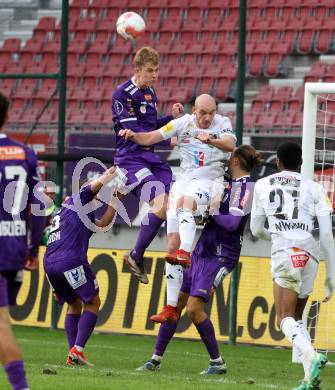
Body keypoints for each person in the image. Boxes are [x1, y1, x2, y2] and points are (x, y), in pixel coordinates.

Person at [137, 145, 261, 374]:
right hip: (203, 250)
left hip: (221, 255)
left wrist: (212, 211)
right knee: (175, 305)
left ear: (234, 161)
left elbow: (233, 224)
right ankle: (154, 359)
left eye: (229, 157)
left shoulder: (245, 188)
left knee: (194, 309)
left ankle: (217, 362)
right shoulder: (225, 183)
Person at [120, 94, 235, 322]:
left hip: (210, 181)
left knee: (184, 207)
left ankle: (186, 251)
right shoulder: (182, 123)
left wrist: (210, 139)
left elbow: (231, 144)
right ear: (194, 110)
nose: (207, 117)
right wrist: (134, 136)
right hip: (183, 181)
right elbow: (152, 136)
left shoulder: (222, 123)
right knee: (171, 244)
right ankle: (171, 307)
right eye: (203, 113)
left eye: (211, 112)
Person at [250, 142, 335, 390]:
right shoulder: (316, 187)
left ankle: (311, 356)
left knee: (284, 318)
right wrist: (331, 275)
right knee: (297, 317)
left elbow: (255, 229)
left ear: (277, 162)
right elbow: (327, 236)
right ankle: (310, 378)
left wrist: (274, 234)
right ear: (300, 163)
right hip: (310, 254)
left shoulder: (263, 185)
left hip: (286, 252)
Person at [112, 46, 184, 284]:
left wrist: (170, 119)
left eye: (157, 70)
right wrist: (170, 129)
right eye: (150, 71)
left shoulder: (151, 92)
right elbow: (140, 133)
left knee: (174, 201)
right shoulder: (122, 93)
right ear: (137, 69)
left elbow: (152, 128)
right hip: (131, 159)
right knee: (161, 202)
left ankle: (141, 255)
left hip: (150, 157)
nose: (155, 75)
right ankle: (137, 255)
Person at [43, 167, 120, 366]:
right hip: (70, 260)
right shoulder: (79, 199)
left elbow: (102, 224)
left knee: (74, 304)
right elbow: (93, 187)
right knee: (93, 302)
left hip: (50, 264)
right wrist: (114, 171)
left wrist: (115, 200)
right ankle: (78, 349)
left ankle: (73, 354)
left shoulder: (72, 212)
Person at [0, 92, 45, 390]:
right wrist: (33, 246)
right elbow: (39, 204)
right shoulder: (24, 152)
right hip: (14, 246)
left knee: (1, 326)